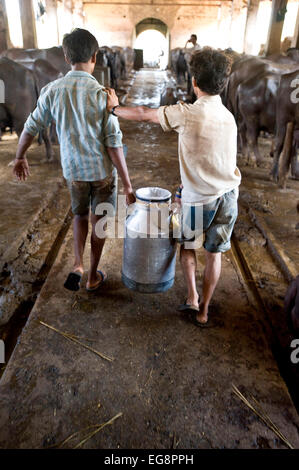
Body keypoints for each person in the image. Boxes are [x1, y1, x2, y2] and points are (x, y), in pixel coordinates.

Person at [105, 48, 241, 326]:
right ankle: (204, 312)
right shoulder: (228, 117)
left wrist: (114, 108)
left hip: (198, 199)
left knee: (188, 247)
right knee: (215, 254)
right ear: (223, 83)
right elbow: (217, 156)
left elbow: (144, 113)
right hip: (228, 197)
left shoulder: (186, 113)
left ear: (193, 81)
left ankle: (192, 297)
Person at [13, 28, 135, 292]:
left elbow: (30, 127)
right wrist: (127, 184)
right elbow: (113, 143)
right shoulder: (104, 94)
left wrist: (19, 156)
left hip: (74, 173)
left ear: (67, 57)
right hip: (101, 174)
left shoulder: (52, 90)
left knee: (79, 216)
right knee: (99, 219)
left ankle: (78, 264)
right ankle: (92, 276)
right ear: (95, 56)